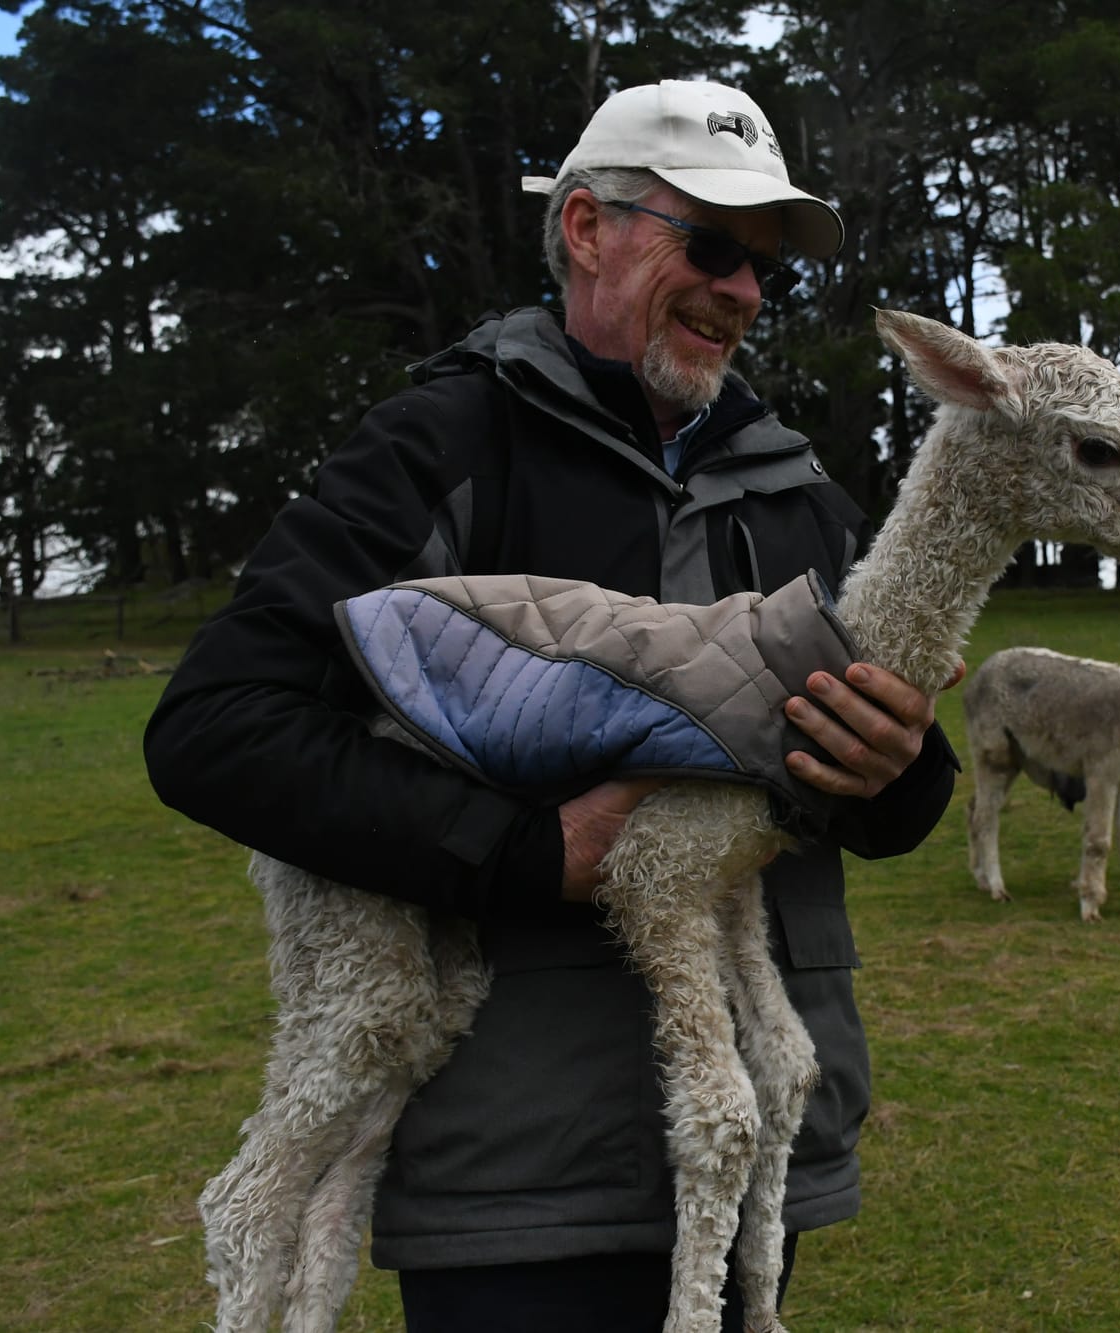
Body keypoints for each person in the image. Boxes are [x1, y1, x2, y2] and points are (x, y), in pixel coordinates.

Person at [144, 79, 959, 1330]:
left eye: (763, 267)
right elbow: (219, 728)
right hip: (513, 1179)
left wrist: (897, 772)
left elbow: (882, 805)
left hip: (741, 1174)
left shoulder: (801, 495)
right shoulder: (443, 446)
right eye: (713, 246)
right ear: (587, 229)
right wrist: (525, 851)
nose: (743, 291)